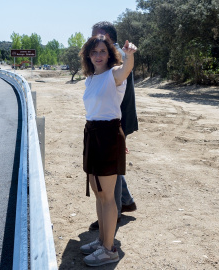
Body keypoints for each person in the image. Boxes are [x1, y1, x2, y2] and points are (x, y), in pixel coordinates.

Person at [79, 35, 138, 266]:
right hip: (92, 135)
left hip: (107, 136)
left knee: (107, 196)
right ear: (88, 56)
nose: (98, 56)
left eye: (103, 51)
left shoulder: (115, 75)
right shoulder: (91, 79)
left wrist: (129, 55)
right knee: (98, 192)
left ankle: (109, 249)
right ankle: (102, 239)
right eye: (94, 52)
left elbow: (126, 69)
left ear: (109, 53)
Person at [88, 21, 138, 232]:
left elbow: (122, 76)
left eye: (96, 36)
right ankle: (126, 202)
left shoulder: (114, 53)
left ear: (105, 35)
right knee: (113, 168)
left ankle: (114, 213)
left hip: (114, 120)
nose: (93, 41)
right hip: (114, 118)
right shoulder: (109, 52)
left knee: (110, 170)